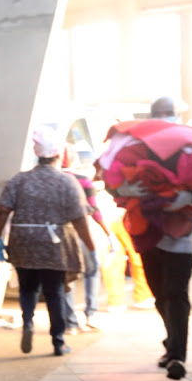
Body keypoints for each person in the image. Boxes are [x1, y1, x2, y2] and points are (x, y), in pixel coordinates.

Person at [0, 125, 97, 357]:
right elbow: (80, 218)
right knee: (54, 292)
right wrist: (91, 248)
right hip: (55, 245)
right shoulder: (67, 182)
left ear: (37, 155)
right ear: (59, 155)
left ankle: (28, 322)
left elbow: (1, 211)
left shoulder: (19, 180)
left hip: (23, 242)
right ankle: (58, 341)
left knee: (27, 287)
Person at [120, 97, 192, 380]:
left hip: (182, 236)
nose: (165, 117)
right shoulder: (136, 146)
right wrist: (125, 188)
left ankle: (177, 355)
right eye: (159, 113)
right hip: (148, 233)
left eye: (169, 113)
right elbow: (114, 180)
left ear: (179, 116)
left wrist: (190, 197)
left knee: (176, 293)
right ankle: (172, 342)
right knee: (159, 295)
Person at [61, 143, 112, 334]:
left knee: (67, 277)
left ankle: (70, 323)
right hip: (83, 233)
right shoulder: (83, 180)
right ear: (73, 158)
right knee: (92, 271)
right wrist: (108, 233)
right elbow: (94, 210)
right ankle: (90, 315)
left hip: (61, 234)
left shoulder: (54, 180)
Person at [101, 207, 155, 312]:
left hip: (106, 219)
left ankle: (115, 303)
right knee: (139, 260)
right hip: (128, 217)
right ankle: (143, 296)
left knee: (113, 262)